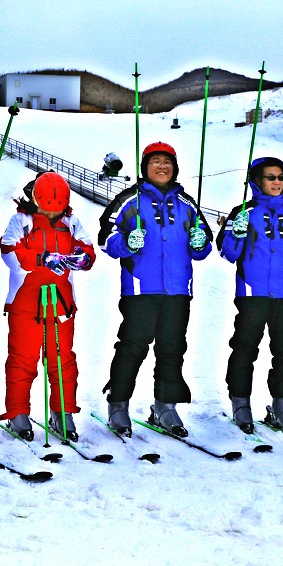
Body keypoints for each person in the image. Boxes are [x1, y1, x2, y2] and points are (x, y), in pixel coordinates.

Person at [97, 142, 212, 437]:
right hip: (140, 289)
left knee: (172, 349)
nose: (162, 167)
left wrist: (199, 244)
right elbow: (106, 237)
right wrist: (125, 243)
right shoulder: (129, 200)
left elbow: (204, 246)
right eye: (155, 161)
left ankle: (165, 405)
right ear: (145, 167)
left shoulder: (187, 204)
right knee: (133, 347)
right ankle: (118, 405)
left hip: (177, 290)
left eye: (167, 162)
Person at [216, 157, 283, 436]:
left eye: (280, 178)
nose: (277, 182)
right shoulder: (243, 212)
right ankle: (241, 403)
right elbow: (229, 253)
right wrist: (236, 233)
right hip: (253, 293)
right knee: (245, 348)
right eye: (270, 177)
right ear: (256, 181)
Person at [0, 171, 96, 442]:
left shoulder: (71, 222)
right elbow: (9, 251)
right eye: (45, 209)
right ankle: (18, 411)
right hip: (26, 299)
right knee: (23, 358)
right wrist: (42, 258)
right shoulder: (22, 221)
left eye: (57, 210)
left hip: (61, 300)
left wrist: (81, 259)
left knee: (62, 358)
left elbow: (87, 249)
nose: (51, 215)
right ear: (35, 199)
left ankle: (62, 410)